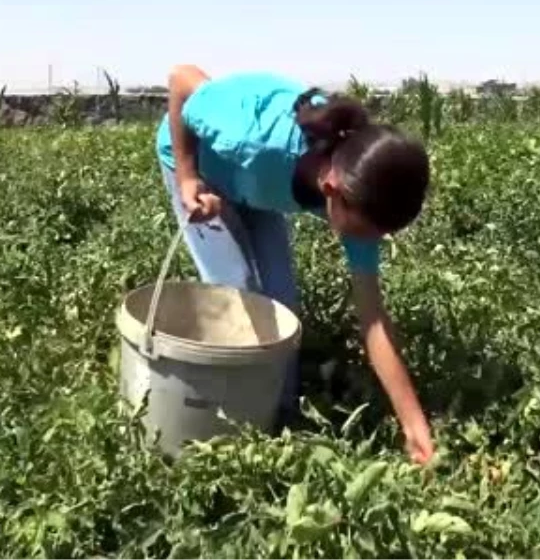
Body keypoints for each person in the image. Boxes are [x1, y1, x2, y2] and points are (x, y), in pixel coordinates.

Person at [154, 64, 435, 464]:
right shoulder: (251, 139)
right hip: (199, 161)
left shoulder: (361, 185)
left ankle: (274, 419)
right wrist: (186, 176)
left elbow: (372, 318)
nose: (370, 240)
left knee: (282, 305)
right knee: (240, 290)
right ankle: (229, 430)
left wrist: (414, 425)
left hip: (261, 186)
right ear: (332, 191)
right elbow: (182, 80)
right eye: (369, 231)